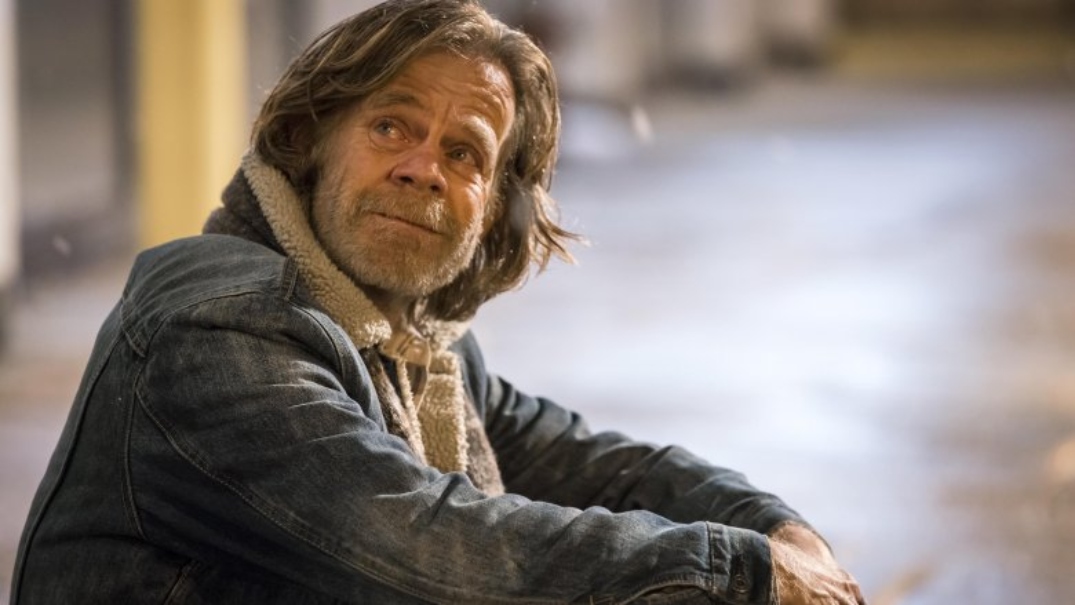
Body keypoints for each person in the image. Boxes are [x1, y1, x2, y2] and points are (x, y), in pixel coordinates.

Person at [12, 1, 865, 603]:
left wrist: (771, 528)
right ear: (310, 139)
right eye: (391, 126)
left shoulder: (412, 334)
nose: (423, 168)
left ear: (491, 208)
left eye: (465, 154)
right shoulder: (215, 329)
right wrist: (742, 573)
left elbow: (590, 464)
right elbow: (431, 547)